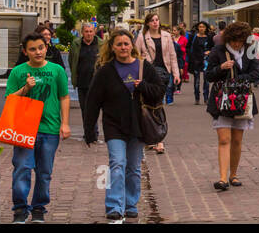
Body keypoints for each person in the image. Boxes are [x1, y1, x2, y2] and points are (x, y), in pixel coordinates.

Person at [82, 27, 165, 222]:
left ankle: (130, 204)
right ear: (112, 47)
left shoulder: (145, 67)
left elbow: (160, 91)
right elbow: (93, 102)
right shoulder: (105, 72)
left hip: (138, 125)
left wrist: (142, 85)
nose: (123, 47)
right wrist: (89, 130)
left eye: (126, 43)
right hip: (114, 125)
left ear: (132, 45)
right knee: (117, 164)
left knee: (134, 168)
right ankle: (114, 206)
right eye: (119, 44)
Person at [5, 31, 71, 223]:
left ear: (46, 47)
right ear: (25, 52)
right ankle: (19, 209)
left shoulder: (57, 70)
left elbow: (64, 97)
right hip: (25, 127)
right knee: (22, 168)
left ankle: (39, 208)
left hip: (49, 129)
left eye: (41, 48)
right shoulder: (18, 72)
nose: (38, 52)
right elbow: (10, 100)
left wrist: (65, 123)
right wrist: (25, 88)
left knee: (44, 172)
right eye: (33, 49)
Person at [204, 21, 259, 190]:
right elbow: (208, 75)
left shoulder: (250, 51)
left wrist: (239, 79)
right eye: (234, 40)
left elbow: (257, 74)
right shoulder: (218, 51)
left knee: (237, 140)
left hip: (241, 100)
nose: (237, 44)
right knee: (224, 139)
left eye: (240, 40)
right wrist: (221, 68)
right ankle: (223, 178)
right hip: (222, 101)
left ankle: (233, 174)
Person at [137, 13, 181, 124]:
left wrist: (176, 74)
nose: (155, 22)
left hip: (164, 73)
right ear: (147, 23)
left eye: (157, 20)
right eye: (152, 20)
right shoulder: (142, 37)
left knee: (158, 101)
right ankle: (155, 125)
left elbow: (172, 56)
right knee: (153, 100)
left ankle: (155, 126)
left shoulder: (166, 36)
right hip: (149, 74)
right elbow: (135, 55)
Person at [69, 22, 101, 135]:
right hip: (82, 81)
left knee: (94, 107)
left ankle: (93, 131)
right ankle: (88, 131)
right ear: (82, 32)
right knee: (84, 108)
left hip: (97, 82)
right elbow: (71, 60)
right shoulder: (76, 44)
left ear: (94, 32)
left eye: (91, 31)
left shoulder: (100, 44)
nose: (88, 34)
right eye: (86, 31)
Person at [186, 22, 215, 103]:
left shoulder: (209, 37)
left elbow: (214, 47)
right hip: (195, 61)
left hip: (206, 61)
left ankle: (206, 98)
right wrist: (191, 57)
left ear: (206, 28)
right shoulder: (193, 37)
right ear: (198, 28)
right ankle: (197, 98)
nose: (201, 28)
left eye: (203, 27)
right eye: (200, 27)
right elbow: (187, 48)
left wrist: (209, 51)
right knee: (197, 81)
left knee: (206, 80)